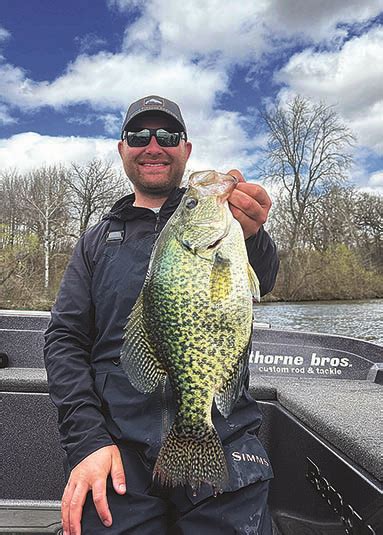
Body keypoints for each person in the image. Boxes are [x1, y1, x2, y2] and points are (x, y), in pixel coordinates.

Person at [44, 95, 280, 535]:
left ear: (185, 149)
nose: (153, 145)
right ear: (122, 149)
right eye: (139, 135)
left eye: (167, 136)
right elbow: (64, 340)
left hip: (223, 435)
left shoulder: (224, 220)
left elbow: (260, 282)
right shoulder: (96, 241)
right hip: (118, 446)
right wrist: (87, 441)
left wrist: (253, 234)